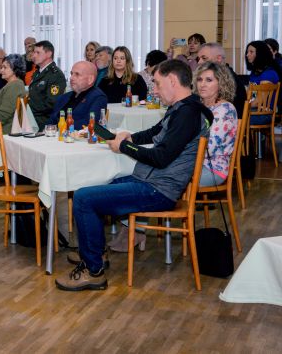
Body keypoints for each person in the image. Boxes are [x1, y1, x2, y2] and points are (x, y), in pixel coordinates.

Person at [56, 59, 213, 291]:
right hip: (152, 182)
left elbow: (161, 157)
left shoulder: (187, 114)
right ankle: (96, 254)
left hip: (158, 190)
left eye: (157, 84)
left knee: (83, 198)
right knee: (96, 184)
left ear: (172, 80)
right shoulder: (183, 108)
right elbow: (155, 132)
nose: (155, 91)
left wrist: (124, 147)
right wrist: (129, 137)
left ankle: (93, 271)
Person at [193, 62, 238, 187]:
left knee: (164, 177)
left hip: (212, 168)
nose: (202, 84)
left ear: (221, 83)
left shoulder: (225, 109)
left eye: (209, 80)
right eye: (199, 79)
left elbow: (209, 147)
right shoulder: (198, 105)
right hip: (192, 163)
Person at [47, 61, 107, 128]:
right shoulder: (63, 97)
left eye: (77, 74)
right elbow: (51, 120)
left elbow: (90, 123)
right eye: (71, 74)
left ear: (90, 79)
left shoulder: (98, 98)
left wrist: (62, 126)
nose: (71, 78)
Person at [197, 42, 247, 118]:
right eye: (198, 59)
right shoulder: (227, 74)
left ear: (219, 59)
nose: (199, 62)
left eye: (204, 58)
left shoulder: (229, 79)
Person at [28, 40, 67, 129]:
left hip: (45, 122)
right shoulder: (37, 73)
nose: (34, 55)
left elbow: (52, 103)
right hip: (32, 119)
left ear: (49, 54)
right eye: (34, 52)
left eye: (38, 52)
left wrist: (29, 110)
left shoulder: (55, 75)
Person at [245, 40, 280, 125]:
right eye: (247, 52)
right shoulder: (254, 73)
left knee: (234, 118)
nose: (247, 55)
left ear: (260, 54)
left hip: (264, 114)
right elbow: (251, 95)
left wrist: (243, 104)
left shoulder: (269, 74)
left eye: (251, 52)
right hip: (254, 110)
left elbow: (259, 101)